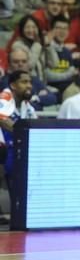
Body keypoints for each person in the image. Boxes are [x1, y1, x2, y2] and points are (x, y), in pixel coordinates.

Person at [0, 70, 37, 205]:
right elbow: (3, 120)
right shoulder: (4, 97)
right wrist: (23, 132)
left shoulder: (26, 105)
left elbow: (35, 127)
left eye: (30, 82)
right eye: (24, 82)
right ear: (13, 85)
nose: (29, 86)